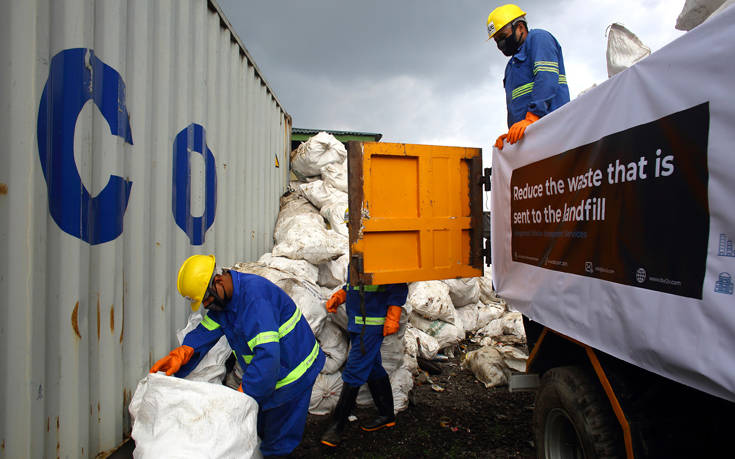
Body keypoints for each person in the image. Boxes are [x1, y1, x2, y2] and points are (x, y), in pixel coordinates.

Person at [150, 254, 325, 458]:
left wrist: (244, 395)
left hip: (295, 374)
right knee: (259, 428)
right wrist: (183, 352)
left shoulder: (255, 299)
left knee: (277, 441)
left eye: (206, 298)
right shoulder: (224, 302)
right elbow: (205, 332)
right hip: (275, 372)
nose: (206, 305)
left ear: (218, 281)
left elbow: (267, 358)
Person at [319, 273, 408, 447]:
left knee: (354, 370)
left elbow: (397, 283)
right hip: (357, 323)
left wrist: (394, 312)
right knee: (372, 366)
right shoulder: (357, 253)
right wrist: (341, 295)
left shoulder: (380, 253)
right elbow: (354, 285)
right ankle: (386, 415)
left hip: (371, 324)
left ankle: (337, 426)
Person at [488, 4, 570, 150]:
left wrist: (532, 118)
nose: (500, 44)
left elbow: (546, 78)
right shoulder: (511, 67)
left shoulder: (538, 38)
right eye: (496, 40)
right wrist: (512, 135)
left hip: (552, 132)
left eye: (503, 37)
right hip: (532, 138)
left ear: (520, 27)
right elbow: (516, 106)